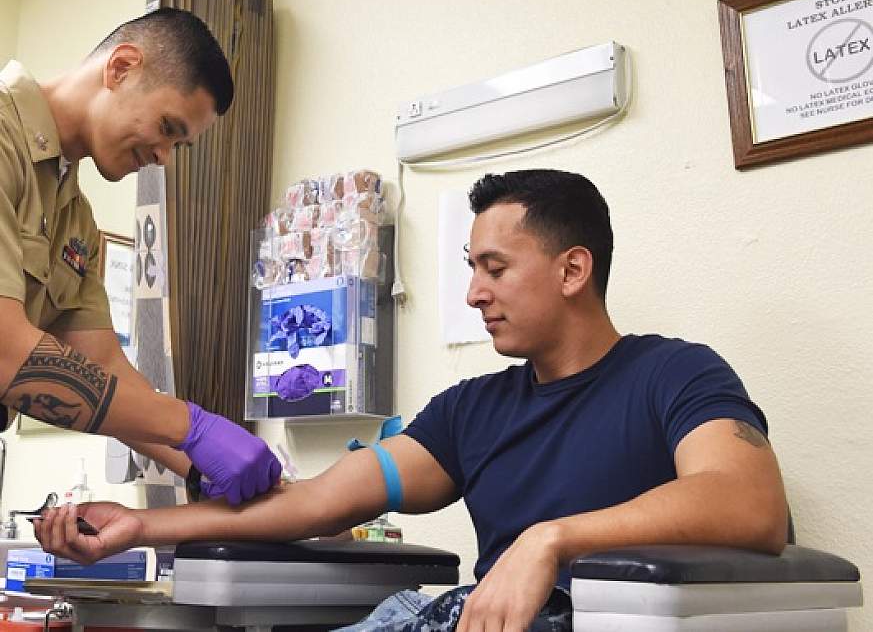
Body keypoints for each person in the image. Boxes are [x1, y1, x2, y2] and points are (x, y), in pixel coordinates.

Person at [35, 170, 788, 631]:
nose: (473, 292)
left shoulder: (673, 375)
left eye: (494, 267)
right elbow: (315, 504)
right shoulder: (470, 411)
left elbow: (747, 503)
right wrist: (141, 524)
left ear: (572, 269)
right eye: (470, 267)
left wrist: (549, 539)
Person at [0, 7, 280, 505]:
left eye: (181, 145)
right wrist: (191, 426)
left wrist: (211, 473)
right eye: (168, 127)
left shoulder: (73, 217)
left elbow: (103, 369)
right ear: (121, 67)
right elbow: (4, 350)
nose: (165, 158)